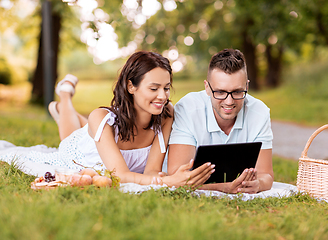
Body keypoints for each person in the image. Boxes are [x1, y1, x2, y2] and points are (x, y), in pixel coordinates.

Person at [3, 51, 214, 187]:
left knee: (90, 128)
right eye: (154, 88)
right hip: (83, 154)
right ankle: (65, 95)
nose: (163, 96)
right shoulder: (101, 117)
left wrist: (170, 178)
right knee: (69, 136)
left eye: (166, 88)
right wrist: (168, 181)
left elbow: (150, 171)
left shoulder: (166, 113)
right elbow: (121, 175)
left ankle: (72, 115)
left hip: (104, 134)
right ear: (131, 86)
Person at [167, 49, 274, 194]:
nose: (229, 102)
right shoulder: (187, 109)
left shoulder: (259, 112)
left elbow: (266, 175)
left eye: (237, 92)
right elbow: (175, 177)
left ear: (247, 87)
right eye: (220, 92)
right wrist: (223, 187)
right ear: (207, 88)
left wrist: (258, 184)